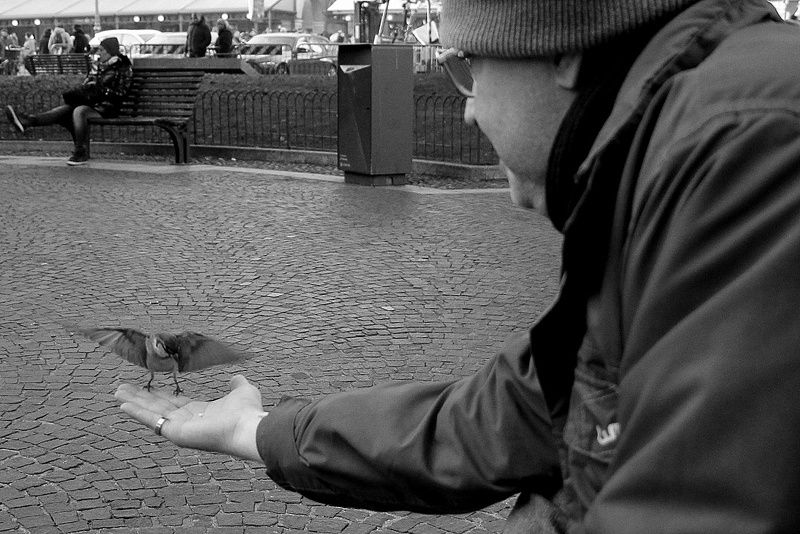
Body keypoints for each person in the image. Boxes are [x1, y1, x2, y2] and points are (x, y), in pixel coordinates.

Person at [114, 0, 800, 532]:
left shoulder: (746, 145)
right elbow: (510, 415)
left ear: (560, 48)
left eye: (469, 65)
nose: (468, 111)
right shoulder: (678, 150)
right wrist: (255, 431)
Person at [5, 37, 132, 166]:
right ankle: (27, 121)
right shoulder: (100, 65)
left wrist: (100, 89)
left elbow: (121, 93)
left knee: (79, 111)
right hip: (93, 103)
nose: (99, 53)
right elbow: (90, 84)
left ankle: (80, 151)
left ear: (110, 51)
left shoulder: (122, 67)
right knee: (63, 111)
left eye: (102, 50)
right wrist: (89, 82)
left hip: (108, 107)